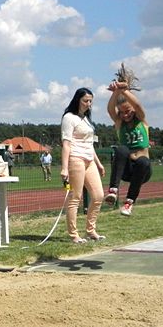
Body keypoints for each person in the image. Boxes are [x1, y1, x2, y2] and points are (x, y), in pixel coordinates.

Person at [60, 87, 106, 243]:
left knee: (98, 195)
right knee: (76, 197)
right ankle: (74, 235)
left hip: (89, 160)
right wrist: (64, 168)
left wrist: (99, 164)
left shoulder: (86, 119)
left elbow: (90, 144)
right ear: (78, 100)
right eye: (86, 101)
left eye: (91, 101)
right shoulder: (69, 118)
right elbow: (66, 144)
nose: (89, 104)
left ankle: (91, 230)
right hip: (76, 158)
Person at [105, 79, 152, 216]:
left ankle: (128, 203)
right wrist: (115, 92)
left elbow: (137, 105)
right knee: (121, 149)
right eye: (122, 112)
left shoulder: (142, 121)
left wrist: (124, 90)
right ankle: (113, 191)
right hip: (127, 170)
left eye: (128, 111)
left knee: (143, 161)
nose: (125, 115)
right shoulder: (119, 123)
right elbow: (110, 110)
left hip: (142, 170)